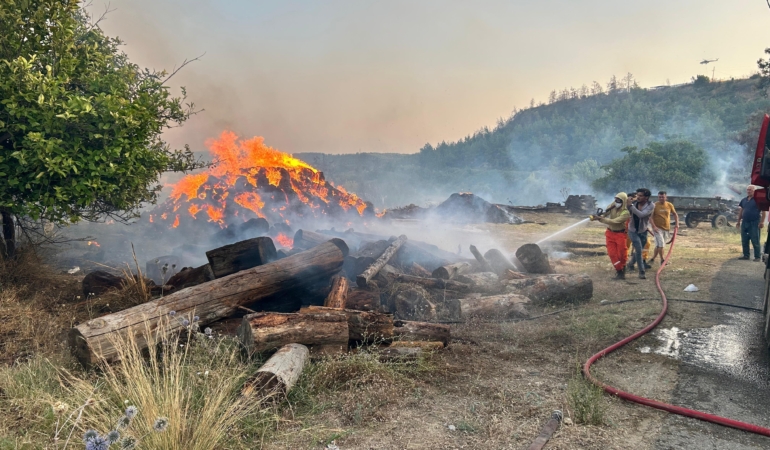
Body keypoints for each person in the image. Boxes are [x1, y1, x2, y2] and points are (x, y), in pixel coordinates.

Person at [590, 192, 630, 279]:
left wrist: (601, 219)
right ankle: (619, 271)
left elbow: (615, 221)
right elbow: (605, 213)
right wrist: (597, 216)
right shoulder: (612, 206)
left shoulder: (625, 212)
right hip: (610, 233)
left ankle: (623, 268)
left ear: (623, 201)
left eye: (619, 200)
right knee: (612, 254)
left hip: (620, 234)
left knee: (622, 254)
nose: (616, 202)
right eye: (615, 199)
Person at [628, 188, 654, 279]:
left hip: (643, 231)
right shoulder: (634, 204)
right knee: (639, 250)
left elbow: (641, 215)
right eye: (637, 195)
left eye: (640, 196)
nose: (638, 197)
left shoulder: (650, 205)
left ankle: (630, 264)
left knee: (639, 250)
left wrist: (631, 206)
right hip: (632, 230)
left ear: (646, 197)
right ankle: (641, 272)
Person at [736, 185, 766, 261]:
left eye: (750, 190)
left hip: (754, 222)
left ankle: (757, 257)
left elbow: (764, 211)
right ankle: (746, 255)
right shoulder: (744, 200)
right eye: (747, 190)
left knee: (755, 240)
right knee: (744, 239)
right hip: (745, 222)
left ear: (754, 191)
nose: (748, 191)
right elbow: (741, 211)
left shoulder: (758, 200)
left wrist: (762, 222)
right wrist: (738, 221)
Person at [649, 191, 679, 265]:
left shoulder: (669, 205)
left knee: (659, 245)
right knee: (661, 244)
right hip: (657, 228)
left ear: (666, 197)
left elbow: (675, 214)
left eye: (662, 197)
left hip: (666, 228)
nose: (661, 198)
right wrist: (654, 226)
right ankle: (662, 260)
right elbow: (650, 217)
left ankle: (653, 258)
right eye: (659, 197)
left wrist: (677, 224)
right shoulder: (654, 205)